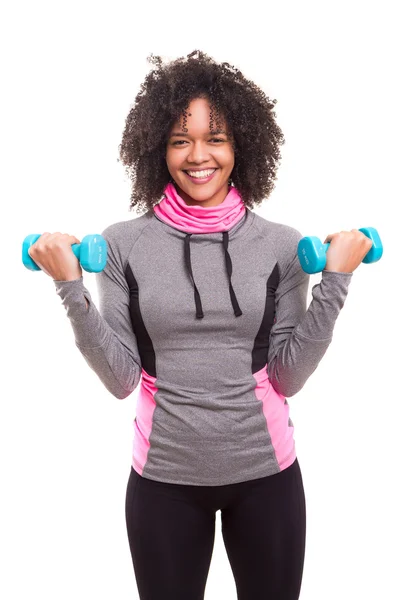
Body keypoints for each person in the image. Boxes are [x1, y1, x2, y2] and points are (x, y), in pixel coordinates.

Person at [28, 50, 373, 600]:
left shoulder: (283, 246)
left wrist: (335, 281)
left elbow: (288, 377)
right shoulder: (121, 245)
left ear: (241, 146)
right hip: (163, 479)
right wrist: (69, 286)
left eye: (216, 137)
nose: (198, 156)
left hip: (267, 473)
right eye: (178, 140)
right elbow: (121, 379)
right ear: (156, 150)